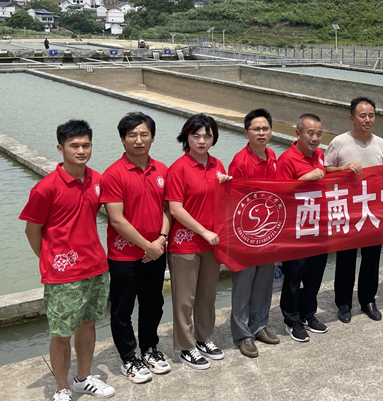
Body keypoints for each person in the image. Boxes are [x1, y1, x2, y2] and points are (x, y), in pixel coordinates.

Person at [20, 120, 115, 401]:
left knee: (88, 325)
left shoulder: (97, 179)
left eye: (86, 145)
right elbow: (32, 231)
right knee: (61, 334)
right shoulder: (45, 188)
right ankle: (61, 389)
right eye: (74, 145)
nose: (81, 150)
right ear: (60, 149)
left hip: (96, 268)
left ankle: (83, 378)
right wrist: (50, 259)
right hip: (63, 276)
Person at [101, 112, 171, 384]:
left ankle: (150, 348)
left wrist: (161, 239)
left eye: (144, 134)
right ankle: (129, 357)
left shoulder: (162, 170)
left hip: (156, 250)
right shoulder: (113, 174)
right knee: (122, 309)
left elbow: (167, 209)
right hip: (124, 255)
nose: (139, 140)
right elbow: (116, 219)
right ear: (122, 139)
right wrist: (147, 246)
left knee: (153, 303)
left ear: (152, 137)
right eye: (132, 135)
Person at [165, 114, 231, 370]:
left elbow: (223, 200)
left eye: (207, 136)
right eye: (196, 135)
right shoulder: (178, 168)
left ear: (214, 138)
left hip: (212, 243)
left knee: (207, 295)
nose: (202, 141)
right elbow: (176, 209)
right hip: (186, 244)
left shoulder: (217, 165)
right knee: (184, 300)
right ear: (186, 137)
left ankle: (205, 339)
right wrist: (203, 231)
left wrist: (227, 185)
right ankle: (186, 346)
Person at [325, 97, 383, 323]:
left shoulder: (381, 144)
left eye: (371, 115)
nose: (367, 120)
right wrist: (343, 168)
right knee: (346, 258)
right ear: (352, 118)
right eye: (362, 116)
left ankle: (368, 300)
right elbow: (325, 170)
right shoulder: (339, 142)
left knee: (372, 258)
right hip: (347, 211)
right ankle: (343, 303)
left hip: (373, 210)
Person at [227, 109, 282, 358]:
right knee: (243, 285)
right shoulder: (240, 162)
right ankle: (242, 334)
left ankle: (259, 325)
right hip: (245, 234)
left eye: (265, 128)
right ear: (246, 132)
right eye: (256, 129)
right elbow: (234, 200)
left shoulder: (272, 156)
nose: (261, 133)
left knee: (263, 283)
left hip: (268, 231)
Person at [276, 113, 329, 341]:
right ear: (298, 133)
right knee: (294, 276)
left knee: (315, 274)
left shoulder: (319, 155)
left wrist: (344, 168)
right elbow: (279, 193)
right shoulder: (286, 159)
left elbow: (325, 176)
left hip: (318, 225)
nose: (315, 138)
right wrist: (306, 178)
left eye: (319, 134)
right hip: (296, 229)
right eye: (310, 133)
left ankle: (308, 314)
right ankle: (292, 319)